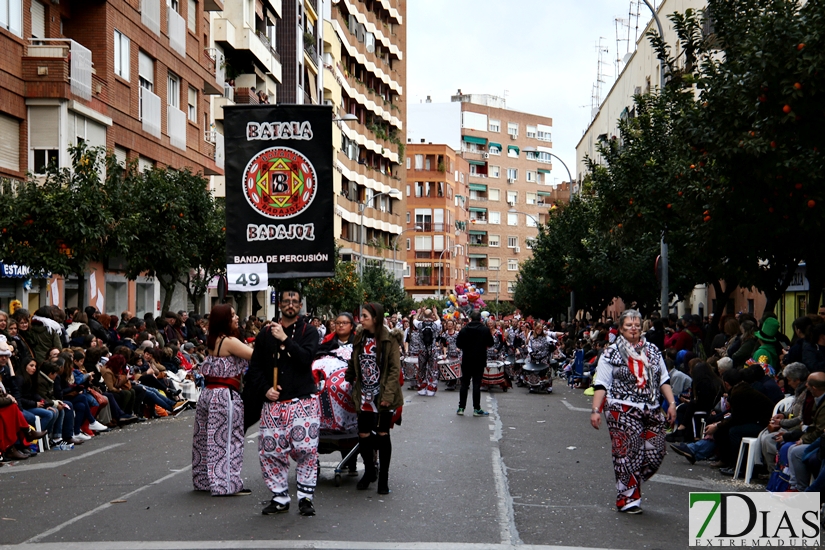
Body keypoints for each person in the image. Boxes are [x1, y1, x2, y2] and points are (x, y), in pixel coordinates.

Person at [590, 309, 677, 514]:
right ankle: (628, 499)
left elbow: (663, 379)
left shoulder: (653, 351)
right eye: (629, 325)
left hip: (651, 407)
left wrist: (672, 403)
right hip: (621, 408)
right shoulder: (610, 353)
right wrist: (595, 409)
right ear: (621, 329)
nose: (634, 329)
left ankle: (632, 479)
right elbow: (601, 384)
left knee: (656, 452)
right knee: (628, 453)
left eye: (637, 325)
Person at [246, 289, 320, 516]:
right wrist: (265, 390)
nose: (290, 304)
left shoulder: (310, 332)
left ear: (300, 306)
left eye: (294, 301)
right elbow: (255, 369)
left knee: (306, 451)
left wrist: (285, 340)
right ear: (279, 305)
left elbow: (306, 359)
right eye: (286, 301)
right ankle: (279, 497)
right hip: (274, 404)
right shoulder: (265, 334)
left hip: (303, 402)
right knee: (271, 452)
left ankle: (305, 498)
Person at [192, 304, 253, 496]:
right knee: (227, 440)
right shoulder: (228, 341)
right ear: (224, 320)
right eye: (233, 315)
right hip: (224, 394)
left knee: (205, 438)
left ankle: (204, 481)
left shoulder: (213, 339)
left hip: (209, 394)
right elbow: (255, 356)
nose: (237, 318)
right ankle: (226, 484)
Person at [345, 302, 402, 495]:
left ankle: (383, 478)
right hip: (364, 395)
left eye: (365, 317)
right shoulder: (360, 336)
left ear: (375, 318)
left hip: (383, 395)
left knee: (383, 434)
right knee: (363, 434)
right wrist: (348, 376)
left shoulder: (389, 339)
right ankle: (369, 471)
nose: (361, 320)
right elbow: (354, 359)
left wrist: (387, 395)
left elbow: (395, 369)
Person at [455, 311, 494, 417]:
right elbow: (490, 343)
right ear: (480, 319)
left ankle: (461, 408)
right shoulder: (485, 330)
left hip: (467, 360)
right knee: (476, 385)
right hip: (479, 360)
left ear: (471, 319)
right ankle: (476, 409)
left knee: (464, 384)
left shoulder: (464, 330)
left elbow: (458, 344)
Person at [413, 309, 441, 396]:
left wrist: (419, 313)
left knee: (421, 369)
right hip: (432, 350)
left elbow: (414, 320)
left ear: (424, 315)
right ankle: (431, 389)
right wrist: (435, 313)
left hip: (422, 350)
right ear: (431, 315)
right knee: (432, 369)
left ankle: (421, 388)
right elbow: (439, 320)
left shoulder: (420, 324)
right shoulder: (435, 324)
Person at [439, 319, 461, 391]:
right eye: (448, 324)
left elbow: (461, 342)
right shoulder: (444, 334)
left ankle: (459, 382)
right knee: (450, 368)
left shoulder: (458, 334)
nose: (450, 326)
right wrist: (444, 354)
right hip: (449, 353)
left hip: (457, 353)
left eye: (451, 324)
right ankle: (452, 383)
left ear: (453, 325)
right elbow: (444, 345)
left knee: (458, 369)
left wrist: (459, 348)